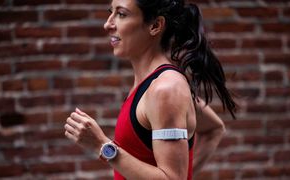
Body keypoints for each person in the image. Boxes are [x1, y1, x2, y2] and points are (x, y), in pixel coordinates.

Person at [64, 0, 237, 179]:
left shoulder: (166, 90)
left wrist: (102, 145)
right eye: (111, 12)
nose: (108, 24)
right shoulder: (156, 85)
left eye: (121, 14)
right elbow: (212, 129)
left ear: (155, 25)